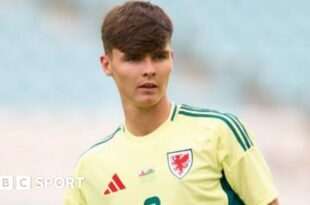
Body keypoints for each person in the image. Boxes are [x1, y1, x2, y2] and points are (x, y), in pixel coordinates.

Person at [63, 1, 279, 204]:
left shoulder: (219, 133)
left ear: (172, 59)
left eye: (159, 57)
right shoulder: (90, 167)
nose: (149, 70)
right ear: (107, 65)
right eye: (134, 58)